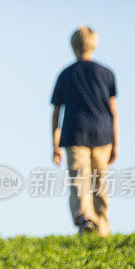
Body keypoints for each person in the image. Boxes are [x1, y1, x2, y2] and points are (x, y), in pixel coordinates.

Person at [50, 26, 120, 236]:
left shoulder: (65, 75)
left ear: (72, 45)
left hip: (74, 134)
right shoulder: (106, 73)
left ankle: (84, 219)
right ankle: (103, 228)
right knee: (101, 183)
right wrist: (116, 142)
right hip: (103, 133)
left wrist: (54, 144)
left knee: (79, 180)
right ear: (95, 44)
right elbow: (113, 111)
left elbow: (56, 111)